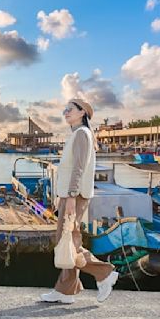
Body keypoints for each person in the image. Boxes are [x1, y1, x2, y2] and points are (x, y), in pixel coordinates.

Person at [41, 98, 118, 304]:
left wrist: (72, 196)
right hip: (69, 196)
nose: (65, 112)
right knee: (67, 241)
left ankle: (105, 273)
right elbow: (69, 170)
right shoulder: (77, 134)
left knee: (69, 243)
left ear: (82, 112)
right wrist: (61, 196)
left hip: (75, 196)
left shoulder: (82, 134)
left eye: (70, 109)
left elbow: (79, 168)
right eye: (64, 109)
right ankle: (66, 290)